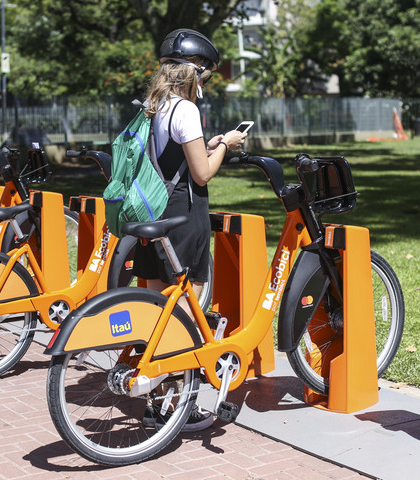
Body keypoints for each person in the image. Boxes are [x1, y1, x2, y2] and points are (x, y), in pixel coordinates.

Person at [136, 28, 248, 432]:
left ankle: (156, 401)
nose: (207, 85)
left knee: (156, 310)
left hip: (154, 210)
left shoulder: (154, 105)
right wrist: (226, 144)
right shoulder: (185, 110)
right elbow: (201, 172)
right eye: (207, 76)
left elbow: (172, 156)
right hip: (184, 214)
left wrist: (209, 140)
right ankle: (172, 403)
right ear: (194, 73)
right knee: (185, 310)